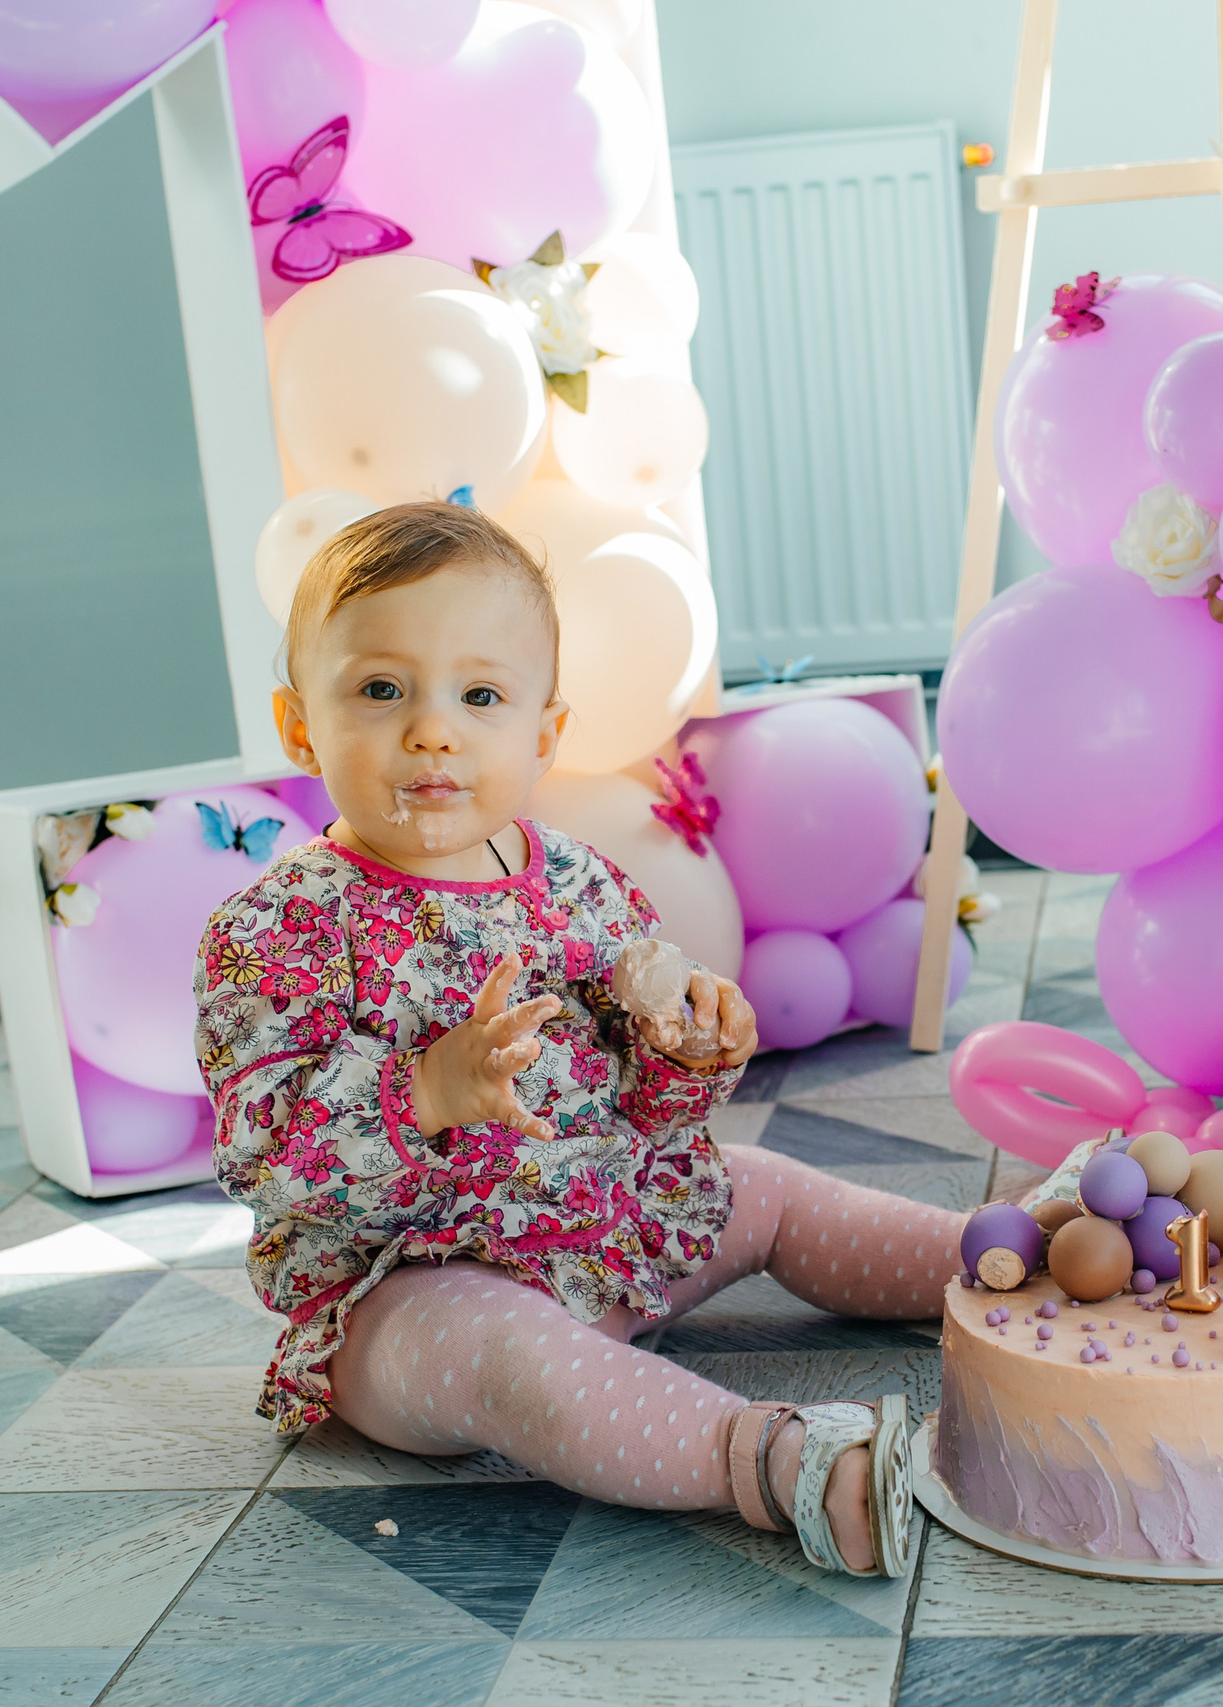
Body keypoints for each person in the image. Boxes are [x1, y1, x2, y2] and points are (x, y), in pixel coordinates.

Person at [194, 502, 962, 1575]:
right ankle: (771, 1461)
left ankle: (993, 1257)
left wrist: (685, 1055)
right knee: (502, 1354)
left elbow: (642, 1111)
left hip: (608, 1238)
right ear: (297, 723)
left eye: (480, 696)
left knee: (763, 1186)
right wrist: (425, 1093)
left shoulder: (579, 884)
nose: (433, 730)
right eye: (381, 690)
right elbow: (262, 1152)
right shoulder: (278, 927)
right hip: (407, 1289)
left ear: (544, 736)